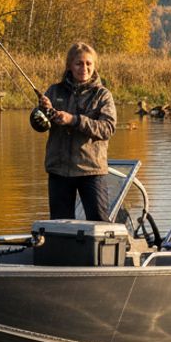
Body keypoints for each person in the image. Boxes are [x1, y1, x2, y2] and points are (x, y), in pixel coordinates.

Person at [36, 42, 117, 221]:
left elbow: (107, 129)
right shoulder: (54, 91)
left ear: (94, 66)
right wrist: (42, 112)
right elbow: (38, 126)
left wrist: (74, 120)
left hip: (91, 170)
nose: (84, 68)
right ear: (69, 66)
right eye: (79, 63)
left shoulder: (102, 95)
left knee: (99, 223)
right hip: (59, 170)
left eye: (89, 64)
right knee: (60, 226)